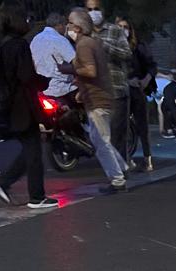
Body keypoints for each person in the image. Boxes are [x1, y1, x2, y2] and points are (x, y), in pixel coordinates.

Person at [0, 3, 56, 209]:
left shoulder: (2, 44)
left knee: (30, 149)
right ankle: (36, 196)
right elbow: (26, 76)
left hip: (11, 105)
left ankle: (5, 181)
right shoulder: (18, 45)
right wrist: (44, 81)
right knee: (34, 150)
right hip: (23, 105)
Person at [59, 9, 128, 191]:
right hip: (100, 98)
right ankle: (122, 168)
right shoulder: (92, 42)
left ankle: (118, 180)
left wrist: (70, 70)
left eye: (70, 23)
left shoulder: (83, 45)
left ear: (79, 27)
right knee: (100, 140)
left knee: (101, 143)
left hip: (98, 101)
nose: (68, 27)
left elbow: (90, 71)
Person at [85, 0, 133, 166]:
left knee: (117, 136)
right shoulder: (85, 34)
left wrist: (104, 46)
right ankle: (115, 175)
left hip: (116, 90)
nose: (93, 12)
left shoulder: (114, 30)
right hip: (96, 94)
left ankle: (121, 175)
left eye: (96, 9)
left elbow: (127, 54)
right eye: (89, 9)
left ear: (102, 10)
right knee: (100, 137)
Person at [117, 17, 157, 172]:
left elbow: (151, 66)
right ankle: (127, 158)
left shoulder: (138, 46)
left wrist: (145, 80)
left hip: (136, 90)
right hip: (121, 90)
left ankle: (148, 158)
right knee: (122, 127)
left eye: (125, 26)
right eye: (119, 26)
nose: (122, 30)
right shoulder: (112, 48)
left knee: (142, 125)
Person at [30, 12, 77, 100]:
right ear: (59, 25)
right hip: (64, 90)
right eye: (65, 25)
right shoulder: (59, 39)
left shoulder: (35, 39)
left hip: (43, 90)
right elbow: (76, 62)